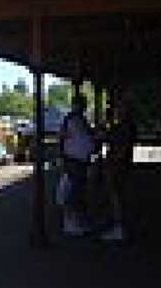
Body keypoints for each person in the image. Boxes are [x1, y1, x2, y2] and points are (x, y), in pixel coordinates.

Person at [59, 93, 97, 235]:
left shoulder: (80, 119)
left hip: (80, 160)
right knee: (73, 190)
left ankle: (76, 222)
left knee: (78, 190)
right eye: (82, 104)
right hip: (73, 159)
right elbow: (63, 138)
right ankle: (70, 223)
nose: (83, 107)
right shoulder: (71, 119)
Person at [101, 95, 137, 242]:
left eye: (119, 108)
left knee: (117, 196)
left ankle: (119, 228)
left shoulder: (124, 127)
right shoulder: (125, 126)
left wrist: (114, 161)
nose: (116, 110)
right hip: (119, 163)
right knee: (117, 195)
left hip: (118, 165)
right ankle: (120, 227)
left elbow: (120, 146)